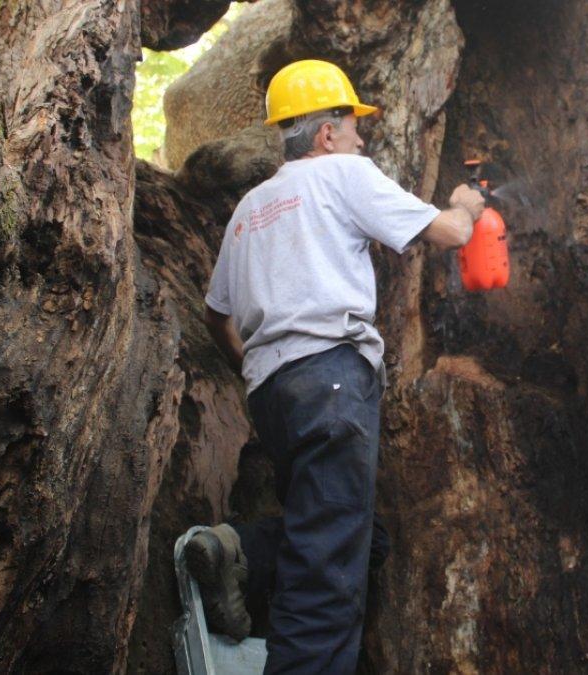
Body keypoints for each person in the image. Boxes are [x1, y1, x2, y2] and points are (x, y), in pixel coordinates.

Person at [186, 58, 485, 675]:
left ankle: (237, 550)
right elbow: (452, 234)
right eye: (354, 127)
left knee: (348, 535)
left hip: (273, 395)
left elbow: (216, 316)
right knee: (326, 585)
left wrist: (260, 368)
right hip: (332, 382)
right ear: (326, 135)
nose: (362, 138)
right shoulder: (343, 174)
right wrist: (467, 202)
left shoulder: (248, 210)